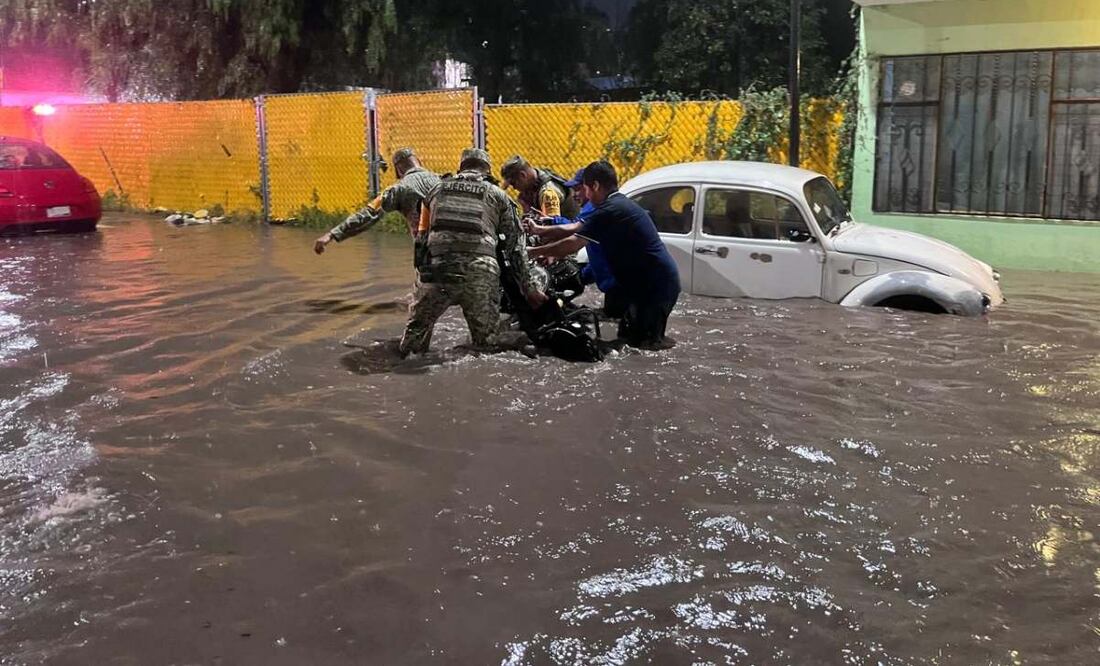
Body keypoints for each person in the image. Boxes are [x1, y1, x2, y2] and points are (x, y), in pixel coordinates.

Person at [399, 148, 547, 356]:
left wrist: (420, 286)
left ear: (461, 167)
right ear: (487, 171)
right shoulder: (498, 195)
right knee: (486, 346)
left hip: (437, 272)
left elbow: (421, 241)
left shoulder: (435, 191)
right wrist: (529, 288)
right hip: (480, 274)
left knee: (412, 346)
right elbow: (515, 247)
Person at [527, 160, 680, 348]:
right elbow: (574, 227)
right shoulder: (613, 205)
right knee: (627, 338)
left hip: (655, 288)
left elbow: (573, 244)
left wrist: (533, 252)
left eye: (584, 188)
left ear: (595, 186)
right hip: (646, 286)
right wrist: (540, 230)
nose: (581, 194)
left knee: (644, 345)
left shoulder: (611, 210)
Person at [313, 147, 439, 253]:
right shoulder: (444, 180)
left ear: (399, 171)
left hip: (428, 255)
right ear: (420, 162)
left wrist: (331, 235)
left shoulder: (399, 189)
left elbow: (368, 213)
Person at [500, 155, 579, 219]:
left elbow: (551, 226)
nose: (514, 188)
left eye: (514, 183)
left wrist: (530, 212)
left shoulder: (548, 192)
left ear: (523, 175)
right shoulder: (535, 181)